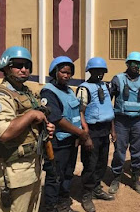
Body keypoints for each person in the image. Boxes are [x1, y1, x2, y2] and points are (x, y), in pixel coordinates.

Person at [0, 46, 55, 212]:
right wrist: (31, 115)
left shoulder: (27, 92)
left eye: (27, 66)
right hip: (13, 170)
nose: (24, 69)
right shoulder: (0, 96)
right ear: (6, 67)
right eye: (18, 65)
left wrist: (45, 127)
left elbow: (36, 120)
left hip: (32, 165)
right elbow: (4, 132)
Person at [40, 56, 92, 212]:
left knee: (67, 174)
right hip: (57, 143)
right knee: (54, 176)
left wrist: (83, 129)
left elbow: (77, 112)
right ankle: (50, 207)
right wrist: (81, 134)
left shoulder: (70, 91)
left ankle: (63, 203)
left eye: (69, 73)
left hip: (71, 142)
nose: (66, 76)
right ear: (55, 72)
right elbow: (57, 119)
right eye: (63, 72)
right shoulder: (48, 92)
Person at [108, 52, 140, 194]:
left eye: (139, 64)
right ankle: (116, 177)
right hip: (121, 120)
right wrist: (111, 126)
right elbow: (107, 101)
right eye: (133, 63)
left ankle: (135, 178)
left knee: (138, 149)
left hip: (138, 120)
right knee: (119, 150)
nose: (136, 66)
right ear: (127, 64)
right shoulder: (118, 79)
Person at [76, 57, 116, 212]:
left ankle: (97, 189)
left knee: (101, 162)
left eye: (102, 71)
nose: (100, 74)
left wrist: (112, 130)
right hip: (91, 130)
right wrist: (85, 135)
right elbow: (80, 112)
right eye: (96, 71)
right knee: (90, 164)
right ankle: (86, 194)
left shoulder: (105, 86)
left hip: (104, 129)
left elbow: (108, 109)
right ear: (89, 71)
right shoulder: (84, 89)